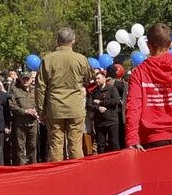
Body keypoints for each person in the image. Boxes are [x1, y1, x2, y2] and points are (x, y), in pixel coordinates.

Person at [38, 27, 92, 161]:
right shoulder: (81, 59)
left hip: (55, 108)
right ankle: (77, 171)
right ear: (73, 41)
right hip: (75, 107)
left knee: (55, 144)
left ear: (57, 40)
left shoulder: (47, 59)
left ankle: (57, 172)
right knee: (76, 145)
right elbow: (88, 78)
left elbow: (40, 87)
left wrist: (41, 110)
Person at [8, 72, 40, 164]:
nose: (25, 81)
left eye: (27, 79)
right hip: (20, 123)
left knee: (33, 146)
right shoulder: (15, 90)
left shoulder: (35, 91)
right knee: (20, 147)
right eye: (23, 79)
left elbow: (40, 103)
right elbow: (12, 106)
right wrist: (25, 111)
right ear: (20, 79)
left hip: (33, 123)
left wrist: (37, 111)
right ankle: (22, 167)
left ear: (31, 80)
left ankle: (33, 166)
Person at [89, 68, 123, 154]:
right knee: (101, 146)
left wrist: (101, 102)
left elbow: (116, 101)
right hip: (99, 123)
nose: (97, 80)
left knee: (114, 144)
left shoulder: (112, 89)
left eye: (99, 78)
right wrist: (98, 108)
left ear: (104, 78)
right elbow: (90, 105)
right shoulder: (94, 92)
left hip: (112, 121)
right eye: (96, 79)